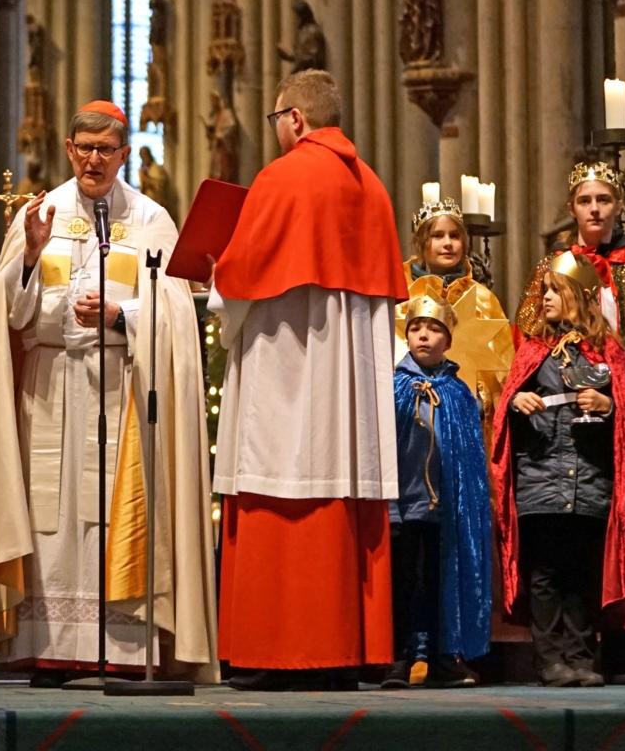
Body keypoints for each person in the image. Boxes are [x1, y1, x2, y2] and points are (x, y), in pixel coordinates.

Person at [0, 101, 216, 687]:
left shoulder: (151, 219)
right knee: (48, 516)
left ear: (124, 155)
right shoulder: (40, 213)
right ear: (69, 150)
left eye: (106, 150)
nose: (93, 159)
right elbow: (8, 312)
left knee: (109, 515)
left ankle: (118, 650)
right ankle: (49, 650)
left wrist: (123, 313)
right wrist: (26, 254)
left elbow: (176, 311)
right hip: (50, 388)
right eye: (83, 148)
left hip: (120, 389)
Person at [211, 69, 408, 691]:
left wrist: (214, 281)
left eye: (275, 120)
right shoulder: (371, 186)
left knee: (282, 468)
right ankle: (347, 650)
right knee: (341, 470)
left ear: (295, 119)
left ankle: (279, 651)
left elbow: (237, 279)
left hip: (287, 364)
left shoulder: (282, 176)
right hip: (348, 385)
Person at [515, 161, 625, 683]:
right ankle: (565, 654)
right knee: (569, 550)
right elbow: (529, 343)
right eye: (584, 200)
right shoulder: (554, 266)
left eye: (604, 200)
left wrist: (610, 373)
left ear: (617, 205)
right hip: (559, 418)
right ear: (572, 208)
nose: (594, 209)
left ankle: (619, 650)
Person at [490, 253, 625, 687]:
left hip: (589, 481)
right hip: (541, 480)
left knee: (582, 572)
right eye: (544, 290)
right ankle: (550, 660)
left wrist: (609, 405)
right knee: (546, 573)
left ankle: (582, 658)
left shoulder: (609, 353)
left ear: (580, 298)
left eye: (554, 290)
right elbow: (506, 407)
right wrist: (515, 403)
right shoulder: (532, 351)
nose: (544, 297)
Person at [382, 285, 492, 689]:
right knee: (404, 584)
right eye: (416, 329)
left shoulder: (458, 393)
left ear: (448, 339)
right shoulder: (392, 387)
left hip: (443, 510)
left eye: (433, 329)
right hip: (403, 508)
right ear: (406, 337)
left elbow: (470, 458)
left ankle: (445, 657)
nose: (424, 336)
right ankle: (400, 657)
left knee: (440, 583)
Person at [401, 198, 513, 410]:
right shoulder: (403, 295)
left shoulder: (483, 298)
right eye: (437, 236)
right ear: (421, 242)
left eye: (455, 236)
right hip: (415, 407)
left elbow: (504, 366)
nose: (448, 243)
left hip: (471, 408)